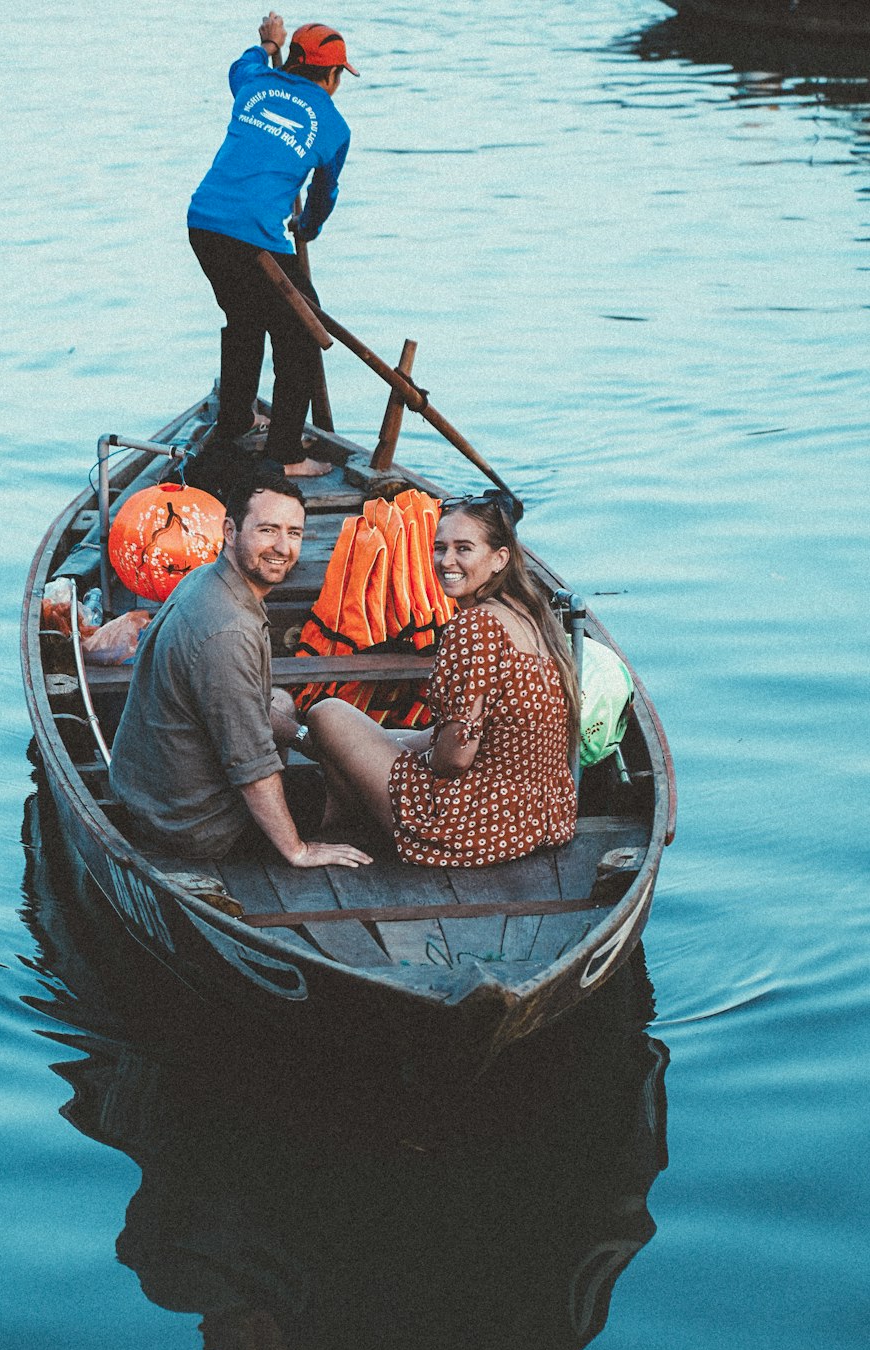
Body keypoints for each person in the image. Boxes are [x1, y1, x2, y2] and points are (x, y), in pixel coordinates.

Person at [108, 472, 371, 869]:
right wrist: (297, 849)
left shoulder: (205, 578)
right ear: (230, 531)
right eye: (267, 530)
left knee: (282, 702)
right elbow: (252, 767)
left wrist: (305, 740)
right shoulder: (228, 631)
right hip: (197, 825)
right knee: (355, 791)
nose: (283, 547)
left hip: (151, 794)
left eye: (294, 533)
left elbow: (243, 707)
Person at [306, 496, 581, 867]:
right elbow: (484, 729)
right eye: (440, 548)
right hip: (540, 819)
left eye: (463, 549)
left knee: (328, 714)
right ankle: (349, 802)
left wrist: (407, 756)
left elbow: (453, 760)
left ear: (499, 558)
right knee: (373, 740)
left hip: (470, 826)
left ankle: (346, 810)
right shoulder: (532, 615)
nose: (446, 561)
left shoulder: (475, 626)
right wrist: (392, 743)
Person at [187, 13, 358, 478]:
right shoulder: (334, 128)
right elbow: (324, 196)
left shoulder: (255, 81)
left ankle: (237, 420)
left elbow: (238, 67)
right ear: (332, 75)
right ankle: (284, 453)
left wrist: (266, 43)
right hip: (252, 238)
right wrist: (307, 227)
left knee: (244, 318)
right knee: (304, 332)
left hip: (202, 223)